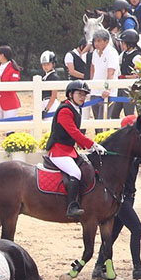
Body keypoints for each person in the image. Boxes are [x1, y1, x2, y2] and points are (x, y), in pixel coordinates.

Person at [92, 115, 141, 280]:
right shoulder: (117, 155)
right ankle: (137, 268)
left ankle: (98, 268)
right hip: (121, 199)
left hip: (129, 198)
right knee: (137, 229)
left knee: (112, 233)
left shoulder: (137, 154)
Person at [45, 81, 107, 218]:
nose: (82, 97)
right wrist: (92, 145)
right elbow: (74, 132)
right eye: (79, 94)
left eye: (84, 95)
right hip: (59, 151)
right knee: (76, 173)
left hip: (68, 150)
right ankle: (71, 206)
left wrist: (88, 147)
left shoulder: (74, 108)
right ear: (70, 94)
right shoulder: (65, 110)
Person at [0, 45, 22, 149]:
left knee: (9, 128)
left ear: (2, 55)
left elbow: (13, 87)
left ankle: (10, 151)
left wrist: (1, 83)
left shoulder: (13, 69)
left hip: (10, 103)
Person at [111, 30, 141, 119]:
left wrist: (125, 77)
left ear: (129, 44)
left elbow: (140, 74)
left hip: (131, 89)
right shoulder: (123, 54)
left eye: (123, 42)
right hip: (121, 87)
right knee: (114, 114)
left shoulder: (137, 57)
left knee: (128, 113)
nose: (121, 44)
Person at [90, 29, 119, 120]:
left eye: (99, 41)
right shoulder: (95, 53)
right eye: (95, 41)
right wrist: (91, 85)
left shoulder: (112, 53)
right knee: (96, 122)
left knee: (103, 121)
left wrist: (107, 89)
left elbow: (111, 72)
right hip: (95, 91)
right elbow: (93, 68)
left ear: (106, 41)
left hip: (107, 93)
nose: (96, 43)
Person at [40, 50, 60, 119]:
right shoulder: (44, 76)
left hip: (51, 104)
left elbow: (54, 95)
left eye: (48, 64)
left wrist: (46, 109)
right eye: (44, 64)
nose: (45, 66)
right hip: (44, 102)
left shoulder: (54, 77)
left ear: (53, 64)